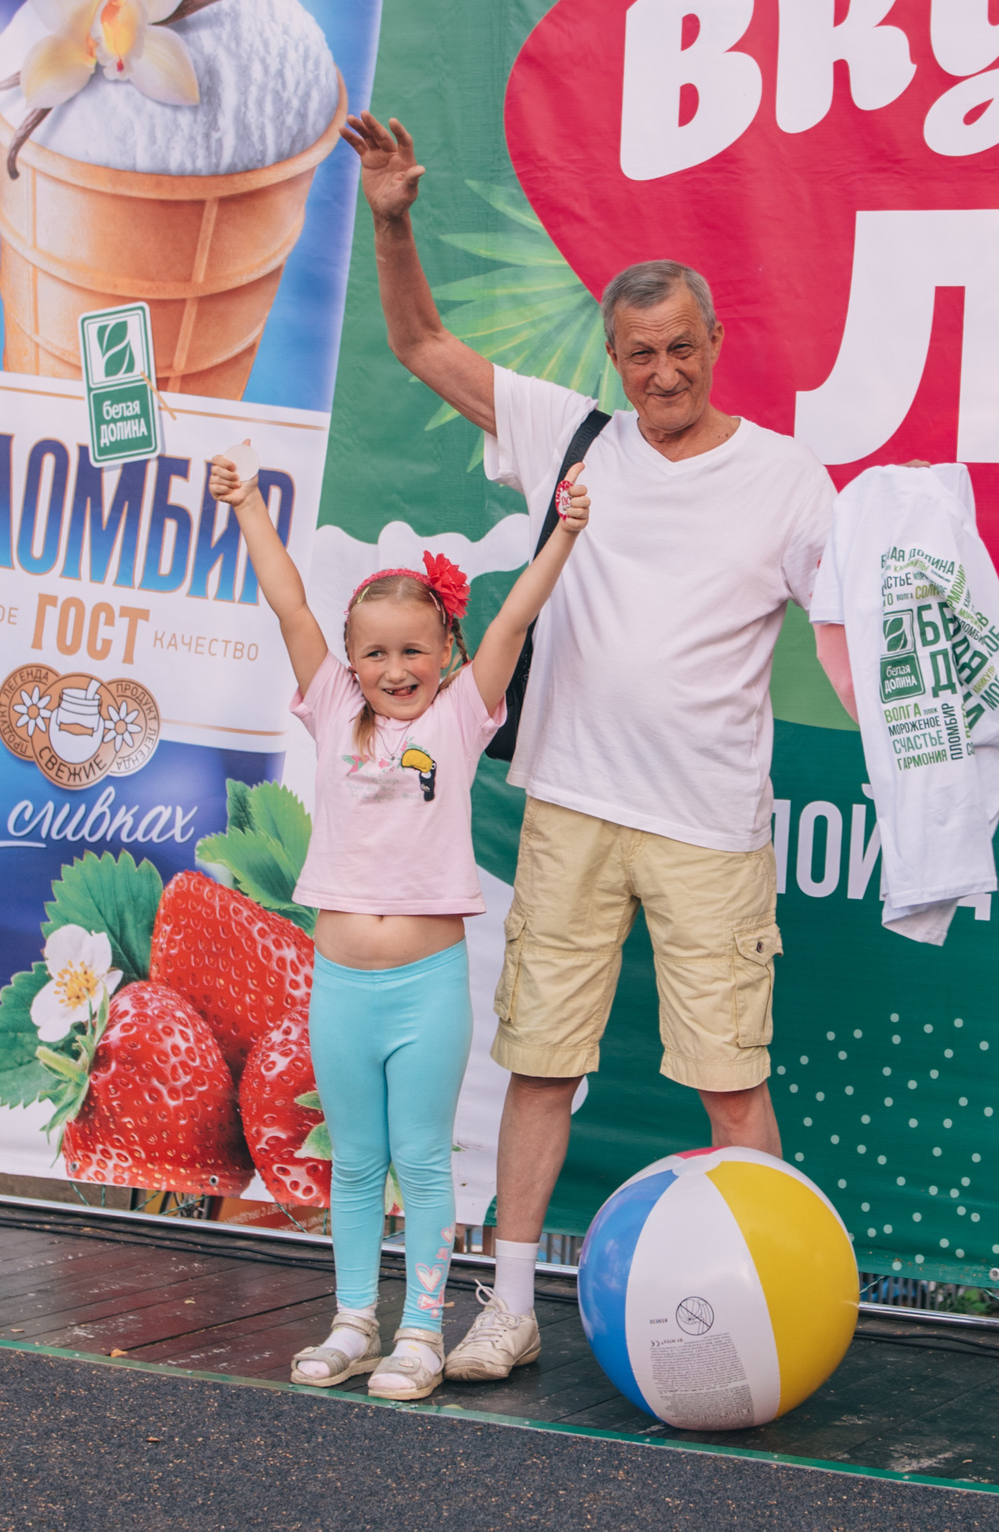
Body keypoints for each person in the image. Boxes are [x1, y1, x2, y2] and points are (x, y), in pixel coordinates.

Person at [342, 110, 839, 1383]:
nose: (661, 373)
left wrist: (921, 761)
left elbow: (843, 640)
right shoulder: (571, 437)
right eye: (638, 355)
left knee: (730, 1081)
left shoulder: (790, 477)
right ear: (611, 358)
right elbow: (418, 341)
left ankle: (772, 1311)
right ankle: (507, 1309)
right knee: (539, 1062)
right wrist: (392, 219)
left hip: (710, 826)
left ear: (716, 343)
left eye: (680, 348)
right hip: (568, 805)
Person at [210, 445, 591, 1401]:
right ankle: (353, 1321)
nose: (394, 667)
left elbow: (516, 616)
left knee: (421, 1159)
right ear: (350, 662)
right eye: (374, 652)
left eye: (414, 650)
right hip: (339, 984)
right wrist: (250, 504)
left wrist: (567, 533)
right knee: (355, 1162)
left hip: (426, 987)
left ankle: (423, 1325)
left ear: (448, 657)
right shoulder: (333, 705)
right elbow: (291, 604)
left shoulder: (463, 717)